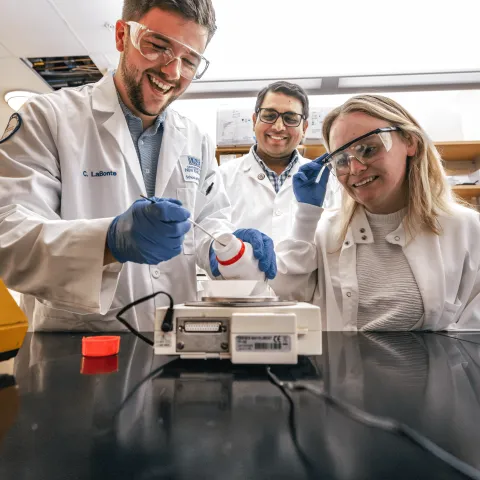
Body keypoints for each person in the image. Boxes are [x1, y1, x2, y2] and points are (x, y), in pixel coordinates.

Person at [0, 0, 276, 332]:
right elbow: (10, 238)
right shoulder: (48, 118)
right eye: (157, 46)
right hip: (78, 346)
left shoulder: (196, 139)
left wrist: (225, 246)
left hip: (175, 342)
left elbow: (206, 221)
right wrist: (108, 241)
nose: (171, 71)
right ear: (121, 36)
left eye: (189, 60)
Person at [274, 94, 480, 331]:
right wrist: (306, 216)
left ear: (410, 142)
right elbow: (284, 295)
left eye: (368, 149)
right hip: (338, 368)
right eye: (341, 160)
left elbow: (473, 337)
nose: (355, 168)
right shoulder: (325, 232)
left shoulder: (467, 229)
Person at [219, 81, 339, 246]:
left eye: (290, 118)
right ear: (254, 120)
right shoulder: (221, 177)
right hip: (236, 273)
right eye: (269, 116)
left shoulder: (327, 180)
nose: (278, 126)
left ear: (304, 127)